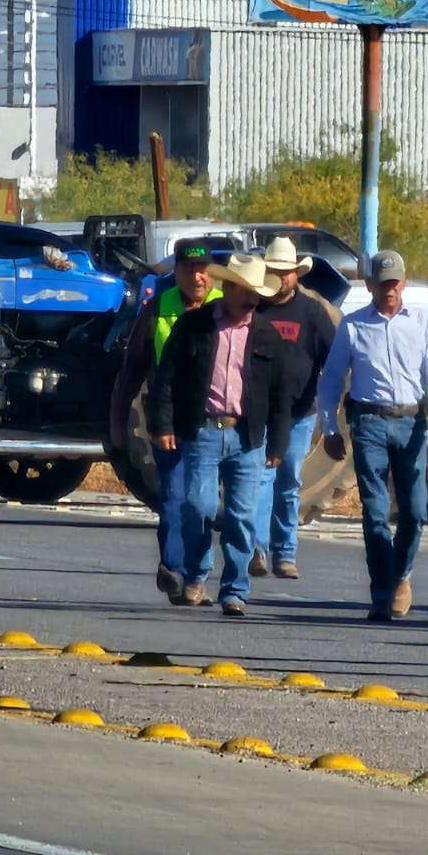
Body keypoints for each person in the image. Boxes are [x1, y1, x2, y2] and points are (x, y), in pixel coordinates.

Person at [317, 250, 428, 622]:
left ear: (404, 283)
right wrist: (330, 427)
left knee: (415, 510)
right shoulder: (353, 326)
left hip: (410, 422)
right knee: (376, 511)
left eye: (395, 282)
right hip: (369, 423)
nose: (390, 289)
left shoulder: (421, 324)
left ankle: (402, 574)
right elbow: (331, 381)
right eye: (383, 283)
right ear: (370, 285)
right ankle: (381, 591)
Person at [149, 253, 291, 618]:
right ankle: (196, 575)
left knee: (242, 517)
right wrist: (163, 425)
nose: (251, 300)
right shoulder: (193, 326)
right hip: (203, 433)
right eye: (245, 291)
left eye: (255, 294)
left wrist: (278, 443)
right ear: (227, 288)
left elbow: (280, 396)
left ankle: (235, 590)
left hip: (247, 438)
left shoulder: (267, 336)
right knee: (199, 506)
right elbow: (166, 378)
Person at [109, 238, 220, 602]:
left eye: (203, 269)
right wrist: (118, 421)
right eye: (189, 269)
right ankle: (174, 569)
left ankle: (198, 571)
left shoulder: (228, 309)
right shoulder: (159, 308)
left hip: (213, 422)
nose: (197, 277)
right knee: (173, 496)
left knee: (200, 502)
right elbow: (133, 369)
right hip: (168, 419)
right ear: (176, 271)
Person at [251, 236, 337, 580]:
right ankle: (256, 549)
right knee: (260, 478)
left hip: (301, 412)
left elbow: (334, 357)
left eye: (286, 271)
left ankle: (285, 554)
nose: (281, 277)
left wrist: (326, 396)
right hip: (259, 411)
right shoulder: (255, 307)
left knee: (289, 481)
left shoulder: (312, 312)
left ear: (296, 274)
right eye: (274, 270)